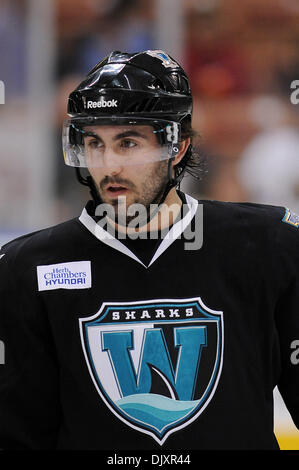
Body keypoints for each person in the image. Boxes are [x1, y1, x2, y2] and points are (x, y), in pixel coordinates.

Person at [0, 50, 298, 451]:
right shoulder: (28, 268)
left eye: (128, 143)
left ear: (177, 147)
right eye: (94, 143)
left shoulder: (268, 245)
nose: (108, 165)